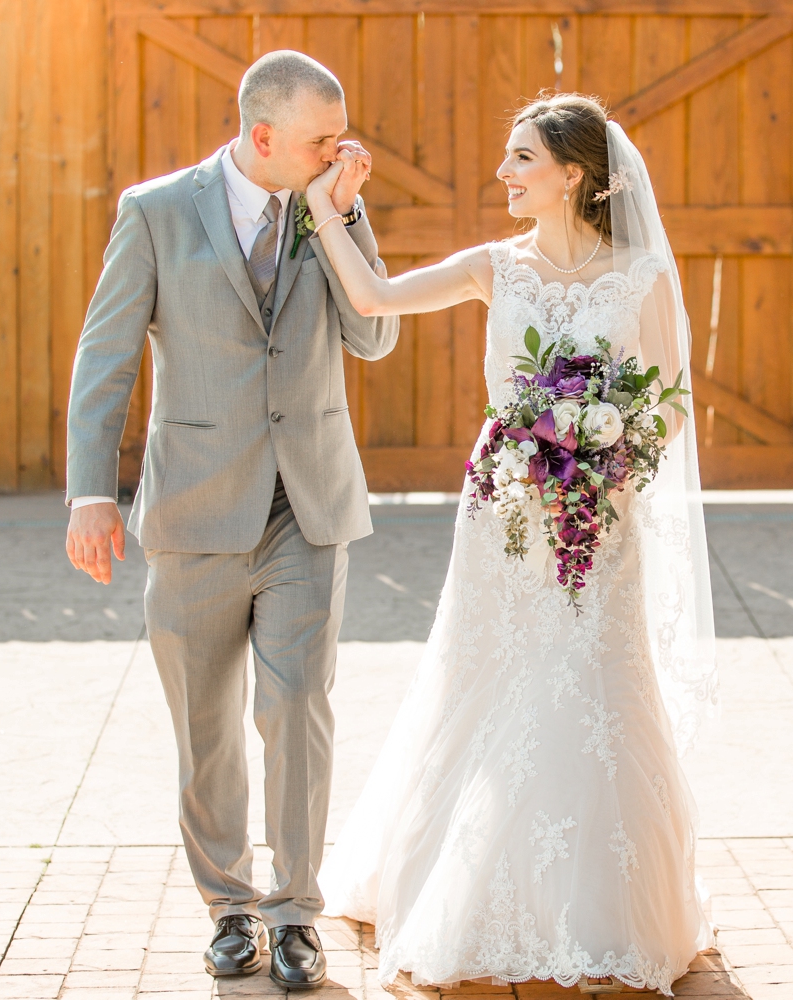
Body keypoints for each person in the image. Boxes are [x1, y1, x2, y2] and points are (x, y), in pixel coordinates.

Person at [308, 94, 718, 996]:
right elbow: (374, 296)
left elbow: (676, 404)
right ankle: (470, 887)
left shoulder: (641, 277)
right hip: (504, 512)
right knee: (487, 675)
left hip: (599, 522)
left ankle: (609, 904)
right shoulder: (495, 268)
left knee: (599, 682)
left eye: (521, 158)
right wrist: (326, 213)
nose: (504, 173)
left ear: (574, 174)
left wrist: (612, 453)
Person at [62, 51, 398, 986]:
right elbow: (107, 356)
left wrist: (345, 210)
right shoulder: (156, 212)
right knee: (204, 725)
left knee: (297, 706)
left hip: (308, 503)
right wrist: (93, 491)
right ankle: (230, 908)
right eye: (322, 139)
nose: (344, 150)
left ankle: (295, 911)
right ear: (263, 137)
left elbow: (374, 334)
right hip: (196, 509)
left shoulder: (329, 205)